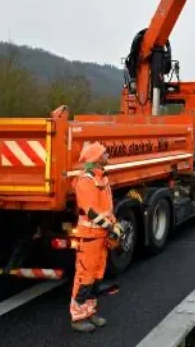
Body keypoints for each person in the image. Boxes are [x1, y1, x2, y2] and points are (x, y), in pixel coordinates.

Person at [70, 141, 124, 333]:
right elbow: (91, 212)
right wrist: (111, 227)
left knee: (97, 277)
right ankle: (77, 317)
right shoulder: (86, 181)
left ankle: (90, 312)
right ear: (96, 159)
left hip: (100, 237)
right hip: (89, 237)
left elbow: (107, 209)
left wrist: (114, 224)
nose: (108, 155)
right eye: (104, 153)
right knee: (85, 277)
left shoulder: (102, 179)